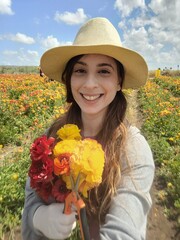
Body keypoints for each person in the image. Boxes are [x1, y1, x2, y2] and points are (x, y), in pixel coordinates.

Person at [21, 17, 155, 240]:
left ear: (119, 81)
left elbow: (125, 233)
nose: (90, 83)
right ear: (69, 78)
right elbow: (31, 199)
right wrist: (38, 216)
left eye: (104, 71)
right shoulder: (52, 136)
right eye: (80, 71)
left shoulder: (133, 149)